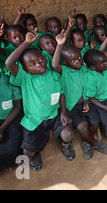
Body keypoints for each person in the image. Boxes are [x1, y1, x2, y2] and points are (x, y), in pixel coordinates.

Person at [5, 30, 71, 170]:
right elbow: (9, 63)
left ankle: (66, 145)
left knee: (68, 134)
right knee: (27, 151)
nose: (39, 64)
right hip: (34, 120)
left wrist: (63, 112)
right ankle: (35, 155)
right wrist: (26, 42)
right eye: (32, 64)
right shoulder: (25, 77)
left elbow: (61, 94)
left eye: (40, 59)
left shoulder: (53, 74)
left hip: (54, 115)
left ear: (45, 58)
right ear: (26, 69)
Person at [52, 31, 107, 159]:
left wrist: (86, 101)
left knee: (95, 122)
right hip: (72, 107)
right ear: (66, 63)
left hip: (86, 103)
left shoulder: (85, 69)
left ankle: (86, 142)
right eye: (73, 60)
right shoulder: (64, 71)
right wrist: (59, 45)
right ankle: (95, 143)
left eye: (79, 58)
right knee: (82, 127)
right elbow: (55, 64)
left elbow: (88, 87)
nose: (78, 61)